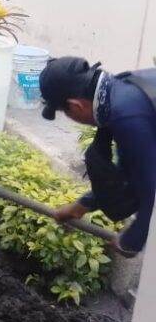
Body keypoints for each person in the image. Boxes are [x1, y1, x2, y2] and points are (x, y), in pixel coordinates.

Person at [41, 56, 156, 254]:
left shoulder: (127, 115)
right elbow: (130, 172)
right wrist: (81, 206)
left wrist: (131, 241)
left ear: (76, 105)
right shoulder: (117, 90)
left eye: (64, 112)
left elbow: (151, 193)